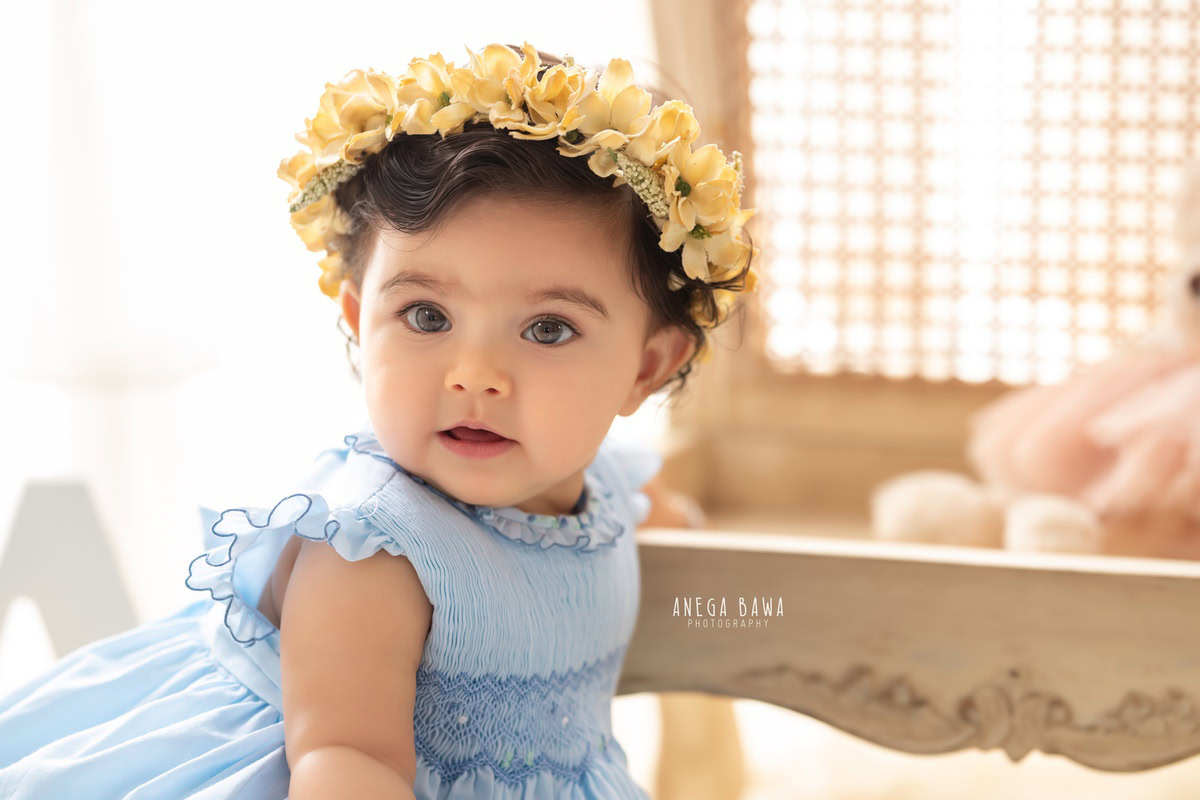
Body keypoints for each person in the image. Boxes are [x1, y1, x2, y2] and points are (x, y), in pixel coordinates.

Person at [0, 41, 759, 799]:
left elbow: (642, 520)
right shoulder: (372, 550)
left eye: (548, 329)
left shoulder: (604, 483)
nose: (475, 376)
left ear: (645, 368)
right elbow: (348, 760)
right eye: (427, 316)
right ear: (363, 324)